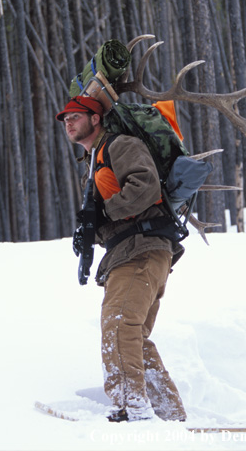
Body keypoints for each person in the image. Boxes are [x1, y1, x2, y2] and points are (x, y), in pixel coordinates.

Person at [56, 95, 187, 423]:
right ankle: (171, 416)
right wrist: (92, 231)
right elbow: (110, 215)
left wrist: (103, 212)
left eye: (75, 116)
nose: (68, 122)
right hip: (133, 253)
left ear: (95, 119)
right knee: (134, 338)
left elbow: (145, 186)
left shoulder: (120, 145)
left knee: (118, 328)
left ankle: (132, 407)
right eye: (64, 119)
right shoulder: (94, 160)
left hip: (140, 251)